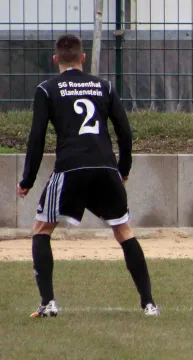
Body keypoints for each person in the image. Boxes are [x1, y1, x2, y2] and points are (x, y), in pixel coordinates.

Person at [17, 33, 159, 316]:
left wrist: (28, 179)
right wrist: (124, 169)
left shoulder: (47, 89)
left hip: (71, 168)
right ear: (83, 58)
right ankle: (149, 304)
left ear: (55, 59)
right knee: (123, 231)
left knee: (42, 229)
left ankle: (48, 302)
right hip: (106, 168)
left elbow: (36, 137)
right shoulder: (104, 86)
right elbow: (125, 132)